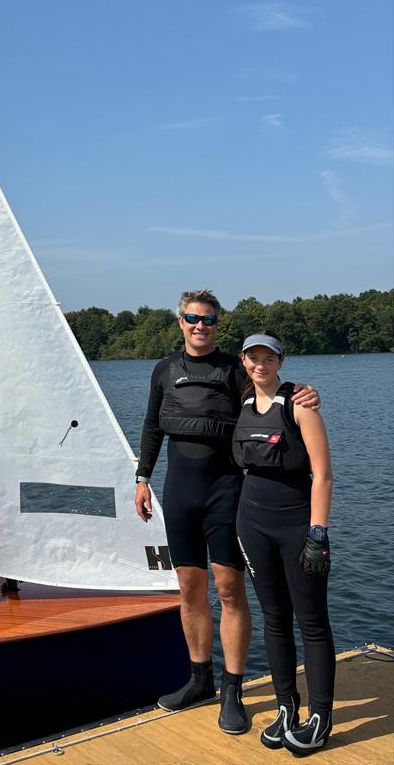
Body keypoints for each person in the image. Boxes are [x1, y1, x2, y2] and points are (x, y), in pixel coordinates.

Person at [134, 290, 319, 736]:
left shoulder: (235, 369)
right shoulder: (164, 370)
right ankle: (200, 681)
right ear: (180, 321)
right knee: (189, 587)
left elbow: (269, 385)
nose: (201, 326)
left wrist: (302, 392)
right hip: (178, 494)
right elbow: (153, 425)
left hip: (226, 492)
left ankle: (232, 691)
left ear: (217, 324)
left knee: (229, 588)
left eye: (209, 320)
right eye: (193, 318)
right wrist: (141, 478)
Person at [234, 332, 334, 756]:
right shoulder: (242, 402)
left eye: (268, 358)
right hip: (251, 523)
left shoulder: (300, 405)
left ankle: (320, 716)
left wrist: (318, 533)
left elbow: (324, 475)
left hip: (296, 525)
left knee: (311, 621)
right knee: (274, 619)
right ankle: (286, 706)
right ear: (244, 361)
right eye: (253, 357)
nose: (261, 364)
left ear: (281, 361)